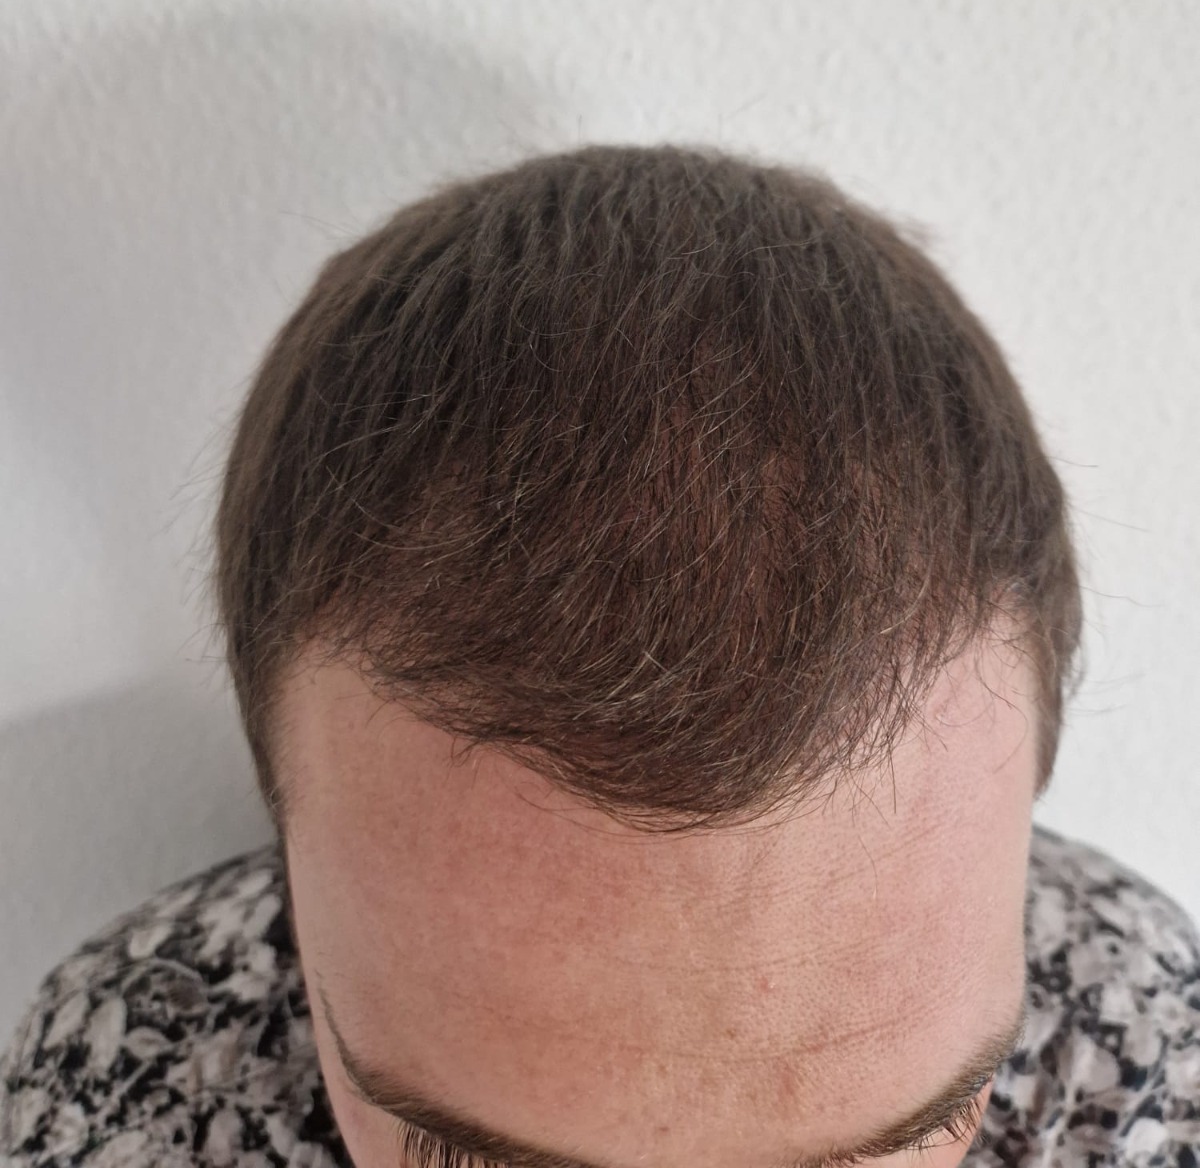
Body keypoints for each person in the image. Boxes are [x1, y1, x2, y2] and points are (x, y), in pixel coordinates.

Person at [3, 142, 1197, 1168]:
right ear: (284, 827)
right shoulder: (126, 1091)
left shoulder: (1153, 1068)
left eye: (899, 1141)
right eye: (470, 1160)